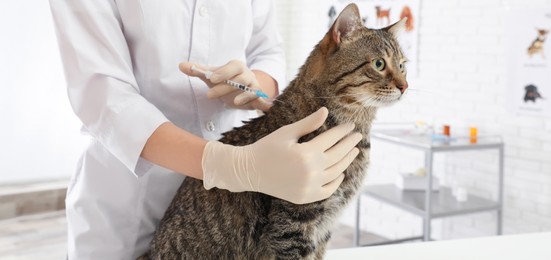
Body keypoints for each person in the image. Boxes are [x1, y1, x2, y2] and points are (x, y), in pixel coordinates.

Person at [49, 1, 362, 259]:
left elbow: (267, 50)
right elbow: (104, 95)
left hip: (231, 214)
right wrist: (227, 165)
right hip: (127, 211)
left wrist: (254, 85)